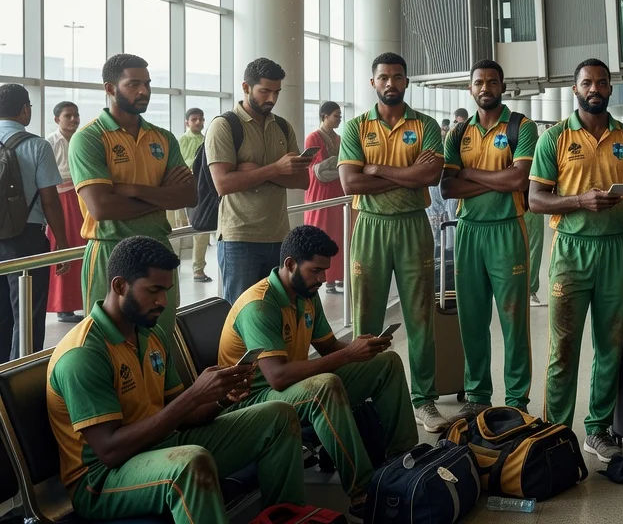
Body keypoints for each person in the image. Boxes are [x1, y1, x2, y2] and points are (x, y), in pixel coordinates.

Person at [48, 236, 305, 524]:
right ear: (119, 286)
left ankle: (287, 518)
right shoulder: (83, 354)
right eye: (154, 290)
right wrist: (194, 395)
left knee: (279, 416)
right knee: (190, 464)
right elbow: (110, 450)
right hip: (101, 481)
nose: (163, 301)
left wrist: (219, 397)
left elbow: (182, 416)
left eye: (166, 291)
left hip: (163, 446)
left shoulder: (151, 334)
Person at [219, 226, 416, 511]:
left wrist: (362, 349)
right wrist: (348, 355)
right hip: (251, 401)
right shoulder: (259, 306)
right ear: (290, 264)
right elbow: (278, 377)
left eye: (325, 271)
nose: (323, 279)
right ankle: (363, 492)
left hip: (292, 388)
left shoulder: (307, 295)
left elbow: (329, 348)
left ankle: (404, 459)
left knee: (385, 363)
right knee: (324, 386)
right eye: (316, 271)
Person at [529, 58, 623, 459]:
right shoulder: (553, 139)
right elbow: (535, 199)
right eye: (587, 83)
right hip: (571, 249)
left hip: (616, 248)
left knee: (611, 344)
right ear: (575, 90)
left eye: (602, 82)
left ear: (610, 89)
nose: (595, 89)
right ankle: (555, 431)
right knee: (563, 347)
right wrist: (579, 200)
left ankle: (597, 429)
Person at [338, 52, 448, 432]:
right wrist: (408, 174)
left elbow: (431, 175)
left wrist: (377, 169)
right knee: (365, 316)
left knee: (420, 316)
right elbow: (350, 183)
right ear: (373, 83)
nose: (390, 83)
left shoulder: (426, 125)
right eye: (383, 77)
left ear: (406, 81)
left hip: (413, 226)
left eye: (397, 77)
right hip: (370, 225)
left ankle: (424, 400)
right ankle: (361, 396)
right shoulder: (355, 128)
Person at [71, 54, 195, 336]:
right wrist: (163, 195)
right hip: (109, 248)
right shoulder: (90, 138)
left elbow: (189, 195)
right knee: (109, 340)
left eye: (148, 84)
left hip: (158, 247)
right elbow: (101, 207)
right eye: (133, 84)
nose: (144, 91)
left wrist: (136, 190)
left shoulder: (163, 138)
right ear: (110, 89)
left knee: (160, 338)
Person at [441, 60, 538, 415]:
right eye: (479, 82)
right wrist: (494, 176)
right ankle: (478, 396)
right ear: (470, 88)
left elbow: (518, 181)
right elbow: (448, 187)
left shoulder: (521, 127)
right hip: (469, 232)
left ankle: (516, 401)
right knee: (471, 319)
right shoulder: (458, 133)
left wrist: (469, 173)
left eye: (492, 82)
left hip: (507, 228)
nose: (486, 87)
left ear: (502, 86)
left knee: (514, 321)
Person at [206, 59, 309, 303]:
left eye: (276, 92)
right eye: (265, 91)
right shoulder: (224, 126)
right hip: (239, 238)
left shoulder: (283, 127)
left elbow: (303, 180)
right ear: (246, 87)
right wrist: (276, 169)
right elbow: (223, 184)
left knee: (275, 310)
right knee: (241, 314)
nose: (271, 98)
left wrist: (255, 172)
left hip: (278, 235)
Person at [0, 84, 67, 360]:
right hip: (26, 240)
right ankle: (22, 380)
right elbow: (50, 200)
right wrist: (61, 242)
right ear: (25, 109)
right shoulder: (37, 145)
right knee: (28, 314)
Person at [45, 100, 85, 322]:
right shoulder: (49, 142)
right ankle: (63, 306)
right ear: (56, 119)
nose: (73, 119)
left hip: (83, 199)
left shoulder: (84, 140)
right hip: (60, 201)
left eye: (76, 115)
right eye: (68, 115)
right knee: (62, 247)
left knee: (82, 249)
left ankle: (80, 301)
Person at [304, 101, 347, 295]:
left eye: (339, 116)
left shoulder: (338, 138)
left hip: (336, 190)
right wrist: (341, 163)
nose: (339, 119)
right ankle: (324, 277)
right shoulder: (313, 137)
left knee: (337, 231)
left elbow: (331, 166)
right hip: (319, 191)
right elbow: (320, 170)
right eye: (336, 115)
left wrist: (337, 164)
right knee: (322, 231)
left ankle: (336, 277)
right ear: (325, 116)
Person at [170, 108, 212, 284]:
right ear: (187, 122)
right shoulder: (180, 140)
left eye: (201, 119)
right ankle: (172, 271)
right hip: (181, 191)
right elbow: (176, 165)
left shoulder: (207, 141)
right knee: (178, 231)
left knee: (201, 232)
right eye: (194, 119)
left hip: (201, 192)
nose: (198, 122)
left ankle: (198, 269)